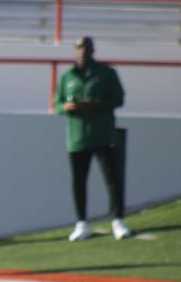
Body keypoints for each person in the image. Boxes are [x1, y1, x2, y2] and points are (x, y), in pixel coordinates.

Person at [54, 36, 131, 241]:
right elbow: (57, 103)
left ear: (93, 50)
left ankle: (118, 220)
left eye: (86, 47)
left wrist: (96, 103)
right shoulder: (67, 76)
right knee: (79, 182)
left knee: (112, 179)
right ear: (74, 49)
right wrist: (67, 107)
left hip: (103, 134)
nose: (83, 51)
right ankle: (81, 223)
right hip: (77, 137)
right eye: (79, 47)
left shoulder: (106, 73)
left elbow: (119, 99)